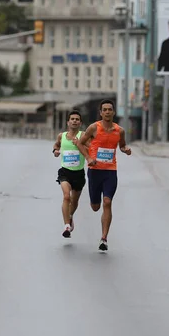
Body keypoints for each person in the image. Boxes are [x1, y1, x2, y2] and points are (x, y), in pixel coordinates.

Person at [77, 100, 131, 251]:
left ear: (114, 112)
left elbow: (122, 145)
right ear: (101, 113)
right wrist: (88, 158)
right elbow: (80, 143)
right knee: (95, 206)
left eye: (110, 110)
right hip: (94, 171)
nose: (107, 112)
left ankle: (104, 238)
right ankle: (95, 204)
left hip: (110, 171)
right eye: (104, 110)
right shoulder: (94, 128)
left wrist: (126, 149)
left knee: (107, 202)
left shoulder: (119, 131)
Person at [53, 110, 86, 238]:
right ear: (68, 122)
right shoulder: (62, 136)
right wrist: (55, 151)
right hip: (65, 172)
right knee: (66, 196)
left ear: (80, 123)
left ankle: (70, 215)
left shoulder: (83, 136)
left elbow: (90, 148)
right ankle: (66, 225)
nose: (74, 121)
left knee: (74, 201)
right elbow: (56, 145)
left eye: (77, 119)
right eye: (72, 119)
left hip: (78, 173)